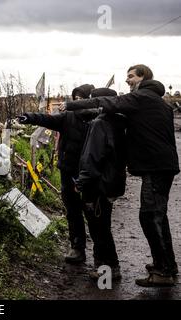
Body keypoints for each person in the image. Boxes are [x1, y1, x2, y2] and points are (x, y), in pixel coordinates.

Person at [65, 65, 180, 286]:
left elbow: (104, 104)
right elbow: (108, 113)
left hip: (155, 168)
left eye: (130, 76)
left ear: (142, 78)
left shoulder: (141, 98)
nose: (127, 80)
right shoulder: (158, 103)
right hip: (163, 166)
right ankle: (166, 264)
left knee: (150, 216)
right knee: (158, 216)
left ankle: (163, 272)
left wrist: (70, 105)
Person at [18, 84, 96, 264]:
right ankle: (77, 247)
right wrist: (29, 117)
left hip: (90, 174)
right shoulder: (67, 117)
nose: (78, 102)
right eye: (75, 98)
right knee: (73, 211)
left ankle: (101, 254)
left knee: (93, 212)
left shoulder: (98, 120)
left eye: (82, 98)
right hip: (69, 171)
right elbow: (47, 119)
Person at [75, 88, 126, 280]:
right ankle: (109, 267)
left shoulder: (99, 124)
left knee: (99, 227)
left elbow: (92, 157)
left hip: (97, 185)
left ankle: (107, 269)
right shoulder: (120, 121)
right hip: (112, 183)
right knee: (103, 225)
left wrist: (81, 182)